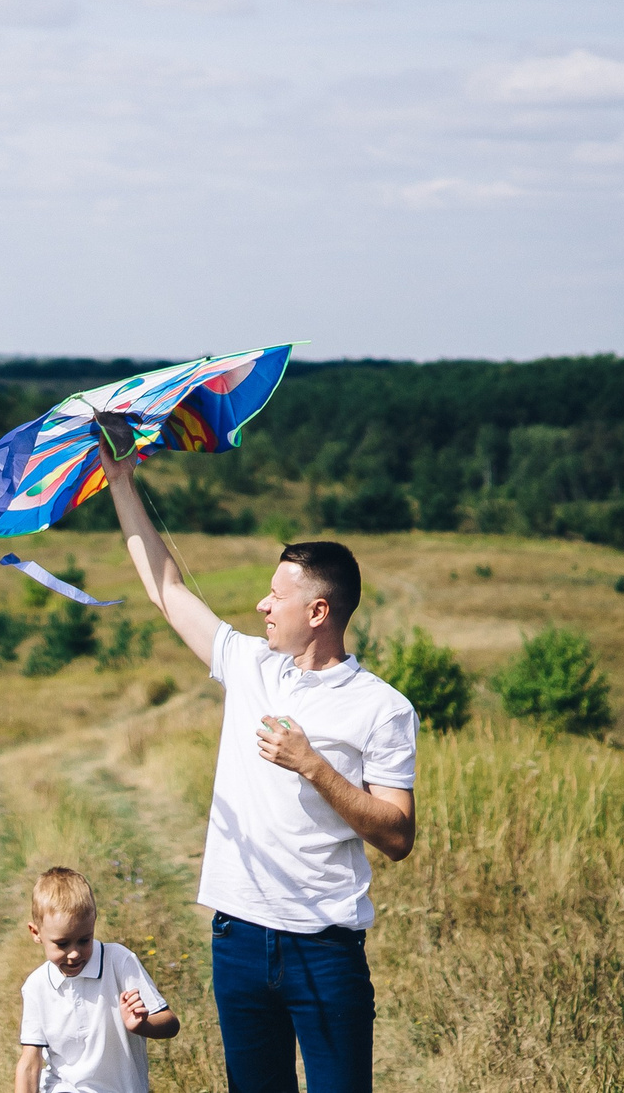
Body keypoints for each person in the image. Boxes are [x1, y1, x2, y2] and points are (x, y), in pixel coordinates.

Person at [100, 444, 417, 1093]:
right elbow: (166, 588)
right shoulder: (250, 665)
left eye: (277, 596)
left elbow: (397, 834)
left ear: (319, 611)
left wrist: (314, 766)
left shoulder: (382, 707)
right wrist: (120, 481)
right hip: (238, 938)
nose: (261, 606)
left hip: (325, 950)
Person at [13, 865, 177, 1093]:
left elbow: (170, 1024)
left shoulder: (119, 961)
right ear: (36, 933)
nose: (74, 953)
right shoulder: (36, 986)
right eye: (62, 944)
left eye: (84, 940)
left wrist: (142, 1024)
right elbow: (30, 1062)